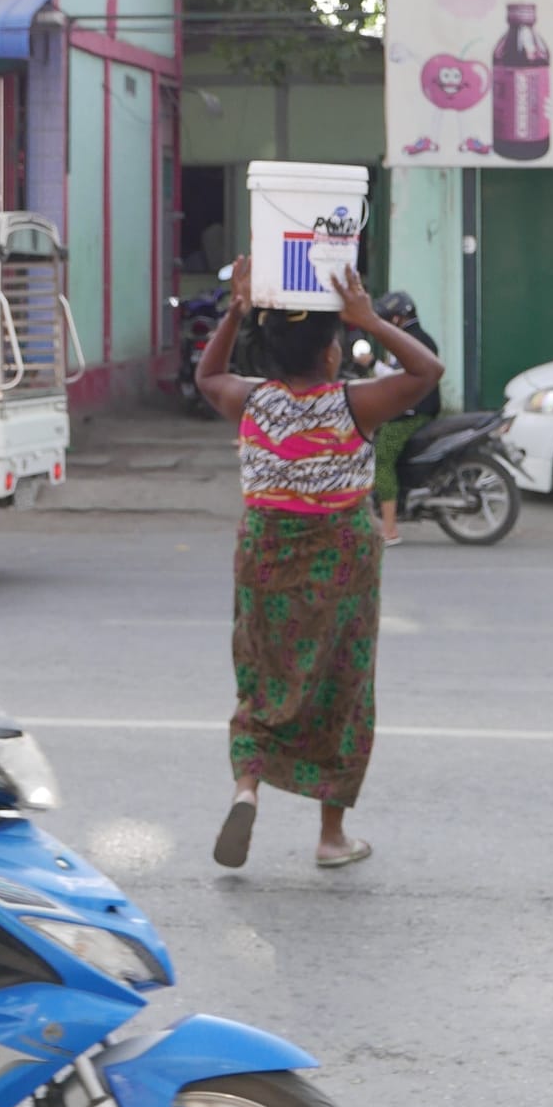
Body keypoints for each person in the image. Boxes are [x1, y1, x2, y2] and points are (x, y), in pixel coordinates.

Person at [197, 260, 444, 872]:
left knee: (260, 674)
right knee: (341, 688)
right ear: (333, 356)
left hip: (265, 555)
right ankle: (331, 838)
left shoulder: (253, 401)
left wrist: (234, 312)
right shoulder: (355, 404)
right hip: (341, 560)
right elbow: (429, 371)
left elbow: (208, 375)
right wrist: (369, 320)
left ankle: (247, 786)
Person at [367, 289, 444, 547]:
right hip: (410, 410)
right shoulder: (411, 339)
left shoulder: (414, 341)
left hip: (411, 413)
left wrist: (368, 363)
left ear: (399, 318)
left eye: (390, 318)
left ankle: (389, 530)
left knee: (382, 461)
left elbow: (393, 378)